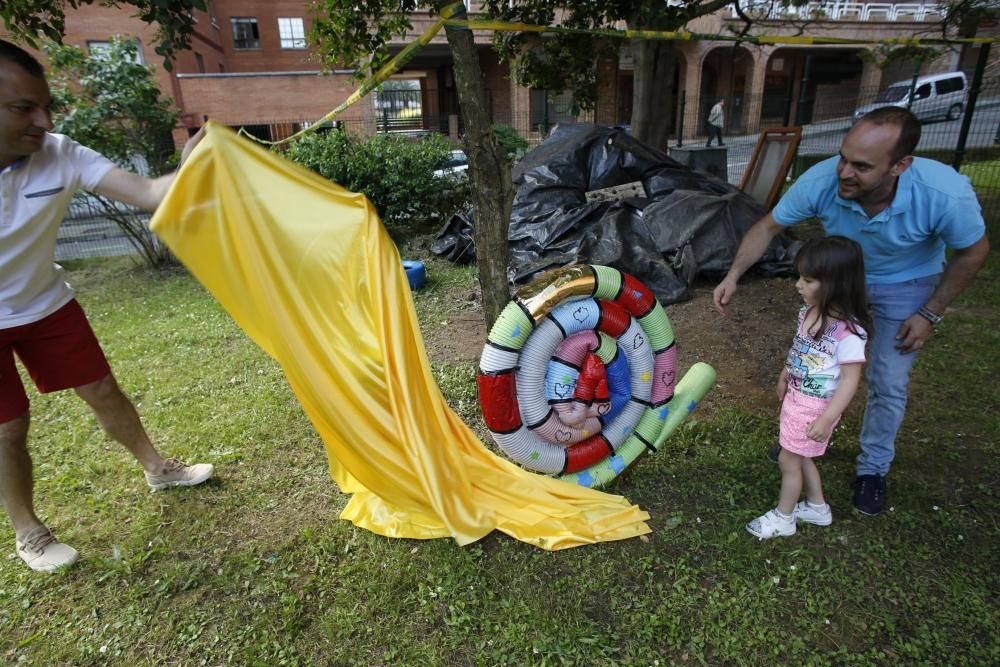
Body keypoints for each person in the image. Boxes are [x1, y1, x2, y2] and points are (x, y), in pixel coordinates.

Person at [714, 106, 989, 517]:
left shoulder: (944, 194)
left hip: (907, 283)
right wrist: (734, 274)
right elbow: (767, 226)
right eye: (844, 157)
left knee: (887, 380)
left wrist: (930, 312)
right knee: (813, 361)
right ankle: (801, 438)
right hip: (842, 281)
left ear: (900, 165)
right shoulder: (821, 181)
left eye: (861, 166)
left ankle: (873, 470)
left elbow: (973, 252)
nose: (843, 171)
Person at [0, 40, 212, 572]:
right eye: (24, 108)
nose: (43, 121)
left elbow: (148, 192)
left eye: (47, 105)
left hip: (45, 304)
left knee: (102, 389)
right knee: (8, 427)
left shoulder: (62, 154)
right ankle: (28, 530)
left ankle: (158, 468)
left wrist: (191, 164)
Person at [747, 236, 870, 539]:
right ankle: (817, 508)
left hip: (815, 408)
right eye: (800, 277)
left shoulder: (849, 333)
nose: (798, 285)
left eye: (808, 279)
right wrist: (785, 373)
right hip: (797, 398)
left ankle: (783, 517)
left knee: (788, 459)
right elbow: (801, 349)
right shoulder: (809, 312)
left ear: (837, 283)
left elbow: (851, 379)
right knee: (801, 456)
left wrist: (827, 418)